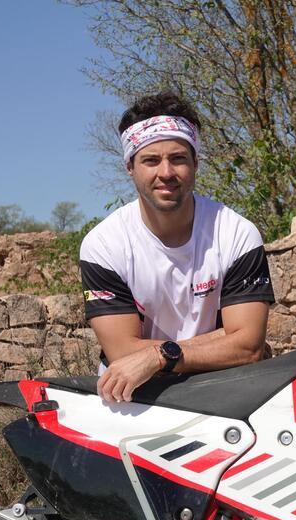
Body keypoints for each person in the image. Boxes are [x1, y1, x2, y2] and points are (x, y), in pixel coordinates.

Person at [79, 92, 274, 404]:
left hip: (224, 391)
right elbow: (122, 353)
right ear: (130, 166)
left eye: (178, 158)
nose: (166, 172)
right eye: (151, 160)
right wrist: (225, 340)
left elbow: (248, 348)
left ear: (195, 163)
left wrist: (158, 356)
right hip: (134, 396)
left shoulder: (236, 233)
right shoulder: (104, 245)